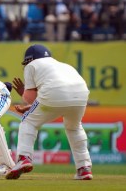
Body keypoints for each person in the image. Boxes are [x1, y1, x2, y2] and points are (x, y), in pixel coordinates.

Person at [6, 44, 93, 180]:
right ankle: (84, 168)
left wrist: (24, 93)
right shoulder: (64, 65)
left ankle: (24, 158)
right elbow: (54, 95)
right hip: (81, 95)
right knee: (74, 128)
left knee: (28, 121)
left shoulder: (32, 65)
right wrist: (30, 107)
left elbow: (32, 98)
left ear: (30, 59)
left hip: (54, 94)